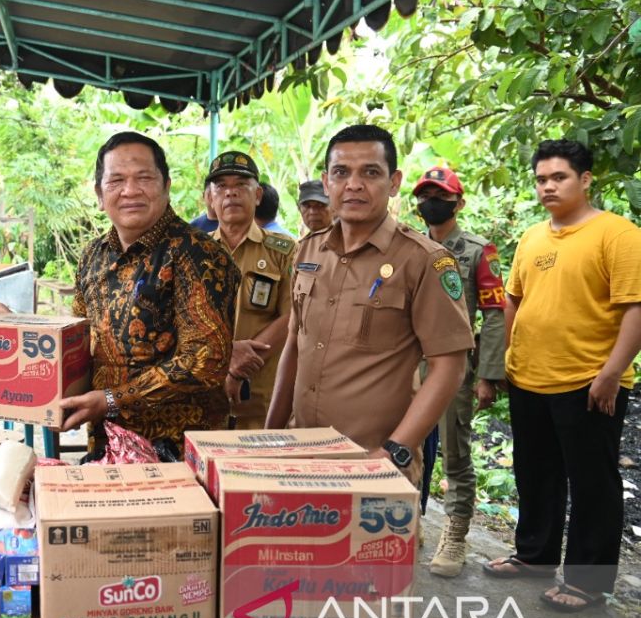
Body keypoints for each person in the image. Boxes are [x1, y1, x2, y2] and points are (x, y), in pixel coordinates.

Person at [266, 125, 472, 490]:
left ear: (393, 182)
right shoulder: (308, 251)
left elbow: (449, 366)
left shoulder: (424, 260)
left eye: (370, 172)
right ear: (326, 181)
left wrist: (396, 449)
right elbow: (294, 346)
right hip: (300, 457)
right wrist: (269, 437)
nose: (354, 184)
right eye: (342, 172)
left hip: (374, 465)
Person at [483, 140, 641, 614]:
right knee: (535, 473)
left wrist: (612, 372)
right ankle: (535, 556)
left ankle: (588, 582)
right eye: (541, 179)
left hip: (589, 381)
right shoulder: (532, 237)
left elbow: (635, 306)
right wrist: (509, 358)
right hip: (530, 377)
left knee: (593, 483)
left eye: (559, 177)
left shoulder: (618, 234)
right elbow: (514, 299)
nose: (548, 186)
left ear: (586, 179)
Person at [58, 131, 240, 457]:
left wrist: (112, 399)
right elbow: (78, 337)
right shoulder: (93, 256)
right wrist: (19, 328)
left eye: (144, 178)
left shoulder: (197, 253)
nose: (130, 191)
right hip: (107, 444)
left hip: (179, 453)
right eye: (116, 181)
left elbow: (204, 361)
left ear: (166, 187)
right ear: (99, 194)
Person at [411, 166, 507, 577]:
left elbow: (495, 314)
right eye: (426, 195)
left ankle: (455, 535)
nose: (432, 202)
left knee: (455, 451)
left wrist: (489, 374)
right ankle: (408, 521)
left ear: (458, 202)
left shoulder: (476, 250)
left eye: (441, 195)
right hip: (410, 365)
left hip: (452, 366)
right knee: (406, 446)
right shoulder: (410, 246)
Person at [205, 150, 294, 428]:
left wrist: (241, 362)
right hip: (205, 397)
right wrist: (226, 356)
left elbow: (294, 315)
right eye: (221, 187)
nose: (231, 193)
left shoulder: (285, 251)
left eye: (241, 185)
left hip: (264, 398)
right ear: (209, 199)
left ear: (257, 196)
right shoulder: (194, 251)